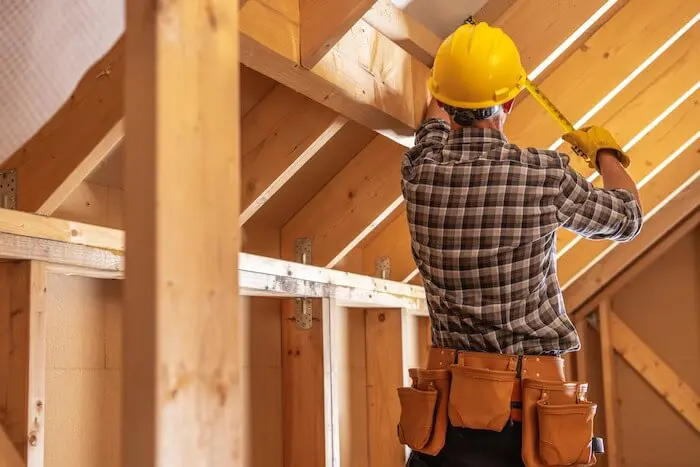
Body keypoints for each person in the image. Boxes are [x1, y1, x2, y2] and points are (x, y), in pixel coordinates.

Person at [398, 21, 643, 467]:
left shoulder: (420, 173)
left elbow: (432, 128)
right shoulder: (544, 175)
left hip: (445, 425)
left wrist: (452, 82)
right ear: (510, 100)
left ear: (445, 99)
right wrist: (607, 154)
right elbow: (626, 218)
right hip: (532, 421)